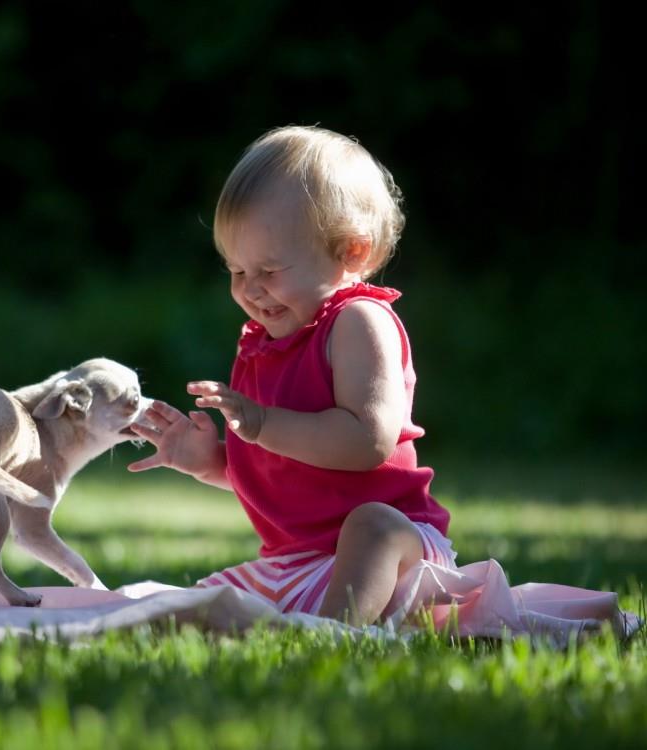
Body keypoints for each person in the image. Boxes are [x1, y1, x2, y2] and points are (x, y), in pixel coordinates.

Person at [128, 125, 454, 626]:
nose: (251, 290)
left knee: (372, 526)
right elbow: (285, 472)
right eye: (237, 271)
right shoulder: (262, 343)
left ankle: (336, 634)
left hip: (398, 559)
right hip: (300, 565)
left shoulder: (357, 321)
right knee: (182, 614)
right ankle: (322, 620)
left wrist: (261, 424)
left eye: (269, 270)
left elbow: (368, 441)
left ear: (352, 252)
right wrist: (211, 462)